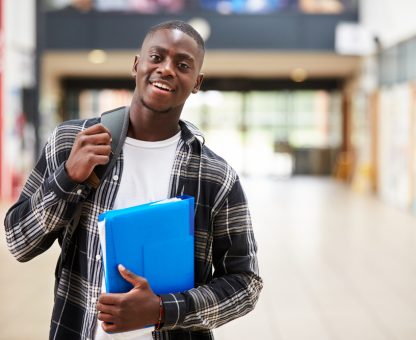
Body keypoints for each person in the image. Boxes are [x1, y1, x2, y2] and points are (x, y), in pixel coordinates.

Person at [4, 20, 263, 340]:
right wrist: (68, 178)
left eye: (182, 65)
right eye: (157, 57)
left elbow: (245, 284)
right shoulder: (73, 141)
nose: (167, 69)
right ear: (136, 65)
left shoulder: (216, 177)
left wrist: (163, 310)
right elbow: (19, 241)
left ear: (197, 82)